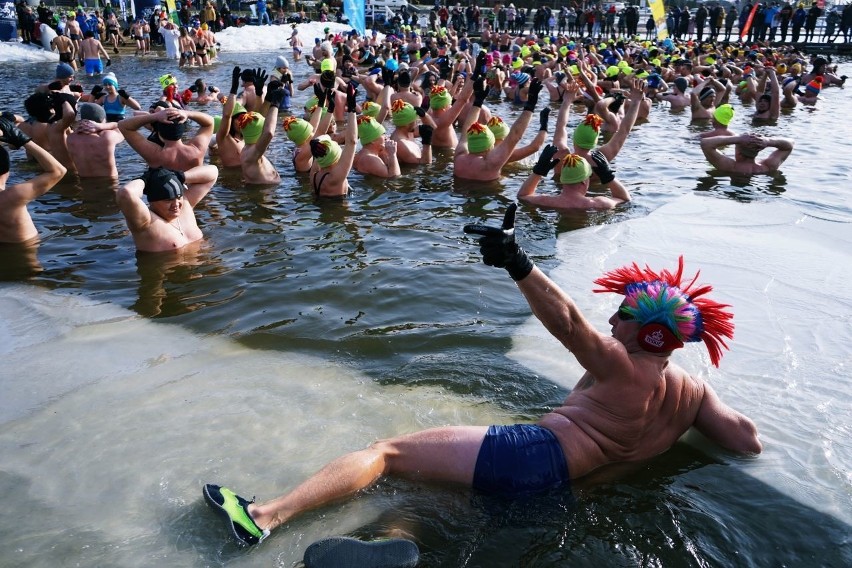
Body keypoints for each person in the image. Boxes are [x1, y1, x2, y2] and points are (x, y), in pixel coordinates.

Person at [202, 205, 762, 547]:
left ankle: (263, 516)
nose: (613, 319)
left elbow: (569, 324)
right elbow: (746, 440)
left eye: (626, 314)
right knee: (427, 491)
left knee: (390, 454)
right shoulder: (691, 393)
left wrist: (517, 261)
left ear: (653, 335)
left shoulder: (622, 365)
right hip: (567, 490)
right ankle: (398, 542)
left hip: (539, 454)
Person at [116, 165, 218, 253]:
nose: (176, 204)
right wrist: (144, 180)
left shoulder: (186, 204)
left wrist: (179, 177)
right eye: (168, 200)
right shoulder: (145, 222)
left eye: (179, 197)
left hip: (199, 269)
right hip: (171, 273)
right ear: (153, 201)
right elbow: (125, 194)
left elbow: (213, 171)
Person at [0, 114, 67, 243]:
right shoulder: (11, 197)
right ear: (6, 171)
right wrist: (25, 141)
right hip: (26, 257)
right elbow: (58, 171)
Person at [518, 146, 631, 210]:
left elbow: (523, 195)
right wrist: (609, 176)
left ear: (563, 179)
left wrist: (538, 171)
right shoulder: (599, 204)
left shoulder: (546, 201)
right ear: (584, 181)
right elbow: (625, 199)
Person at [118, 106, 214, 171]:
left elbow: (123, 125)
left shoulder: (155, 155)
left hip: (167, 199)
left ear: (159, 131)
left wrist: (155, 116)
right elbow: (209, 122)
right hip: (194, 196)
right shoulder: (196, 150)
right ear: (183, 130)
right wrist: (186, 113)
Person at [66, 103, 125, 178]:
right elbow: (122, 126)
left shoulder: (71, 138)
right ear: (102, 120)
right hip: (109, 182)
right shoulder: (107, 137)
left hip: (84, 183)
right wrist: (101, 126)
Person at [700, 133, 794, 175]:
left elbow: (705, 143)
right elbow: (790, 144)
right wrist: (769, 141)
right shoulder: (768, 167)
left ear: (739, 153)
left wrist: (737, 139)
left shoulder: (729, 167)